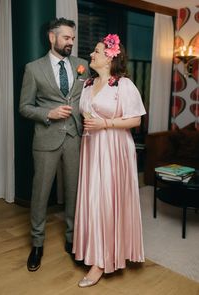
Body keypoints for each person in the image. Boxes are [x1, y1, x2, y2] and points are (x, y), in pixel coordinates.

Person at [72, 34, 146, 287]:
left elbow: (136, 120)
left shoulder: (123, 85)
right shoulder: (87, 84)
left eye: (97, 51)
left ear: (110, 58)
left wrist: (106, 123)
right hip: (91, 147)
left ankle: (101, 262)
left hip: (115, 148)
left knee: (108, 200)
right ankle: (94, 250)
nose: (91, 54)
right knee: (93, 200)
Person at [19, 17, 89, 272]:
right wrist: (48, 113)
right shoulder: (33, 68)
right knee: (40, 194)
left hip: (74, 138)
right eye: (66, 38)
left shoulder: (83, 66)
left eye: (73, 38)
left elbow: (88, 99)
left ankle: (72, 241)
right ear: (52, 37)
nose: (71, 42)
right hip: (46, 139)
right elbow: (24, 108)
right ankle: (37, 244)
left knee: (74, 192)